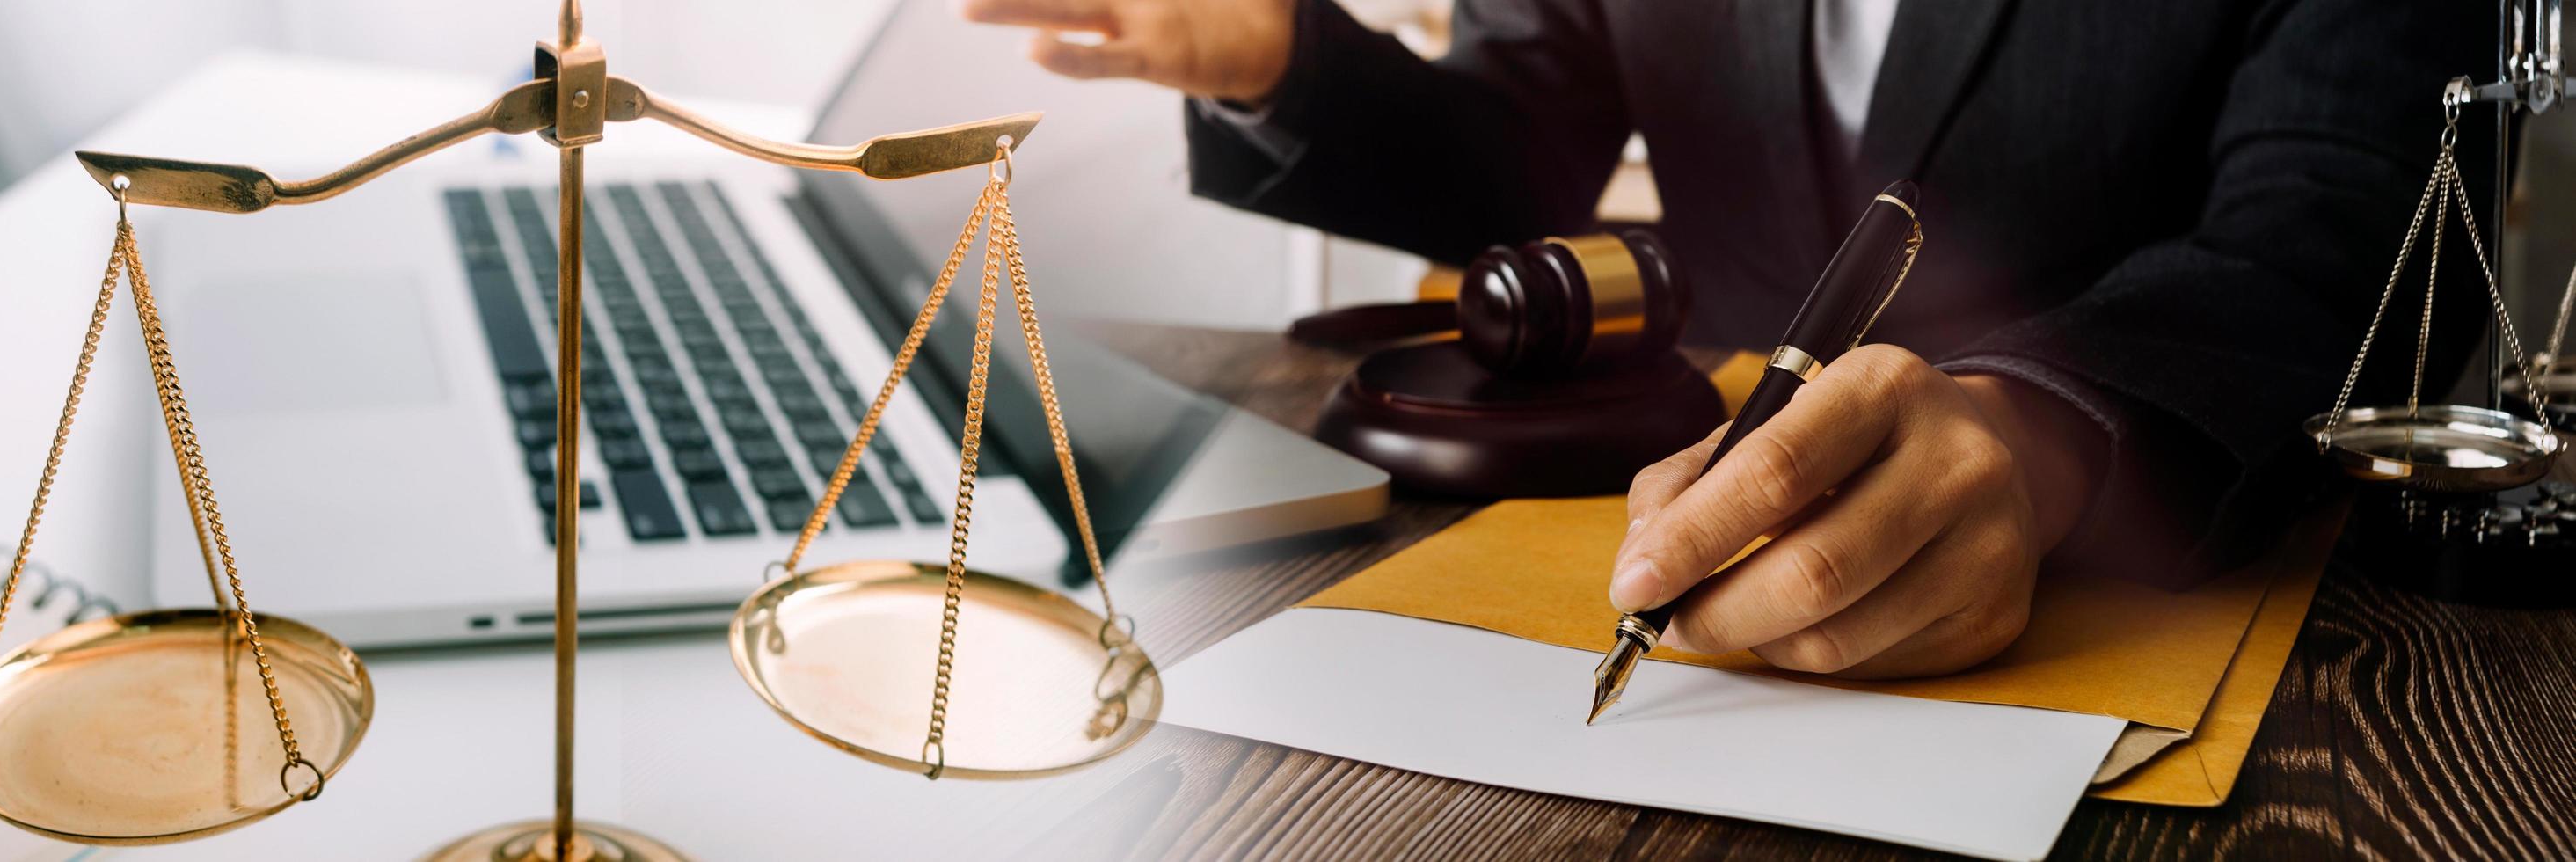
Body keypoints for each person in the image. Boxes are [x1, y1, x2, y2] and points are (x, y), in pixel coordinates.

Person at [961, 0, 2490, 676]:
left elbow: (2341, 215)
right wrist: (1281, 58)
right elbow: (1522, 150)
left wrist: (2035, 419)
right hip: (1700, 471)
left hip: (2152, 535)